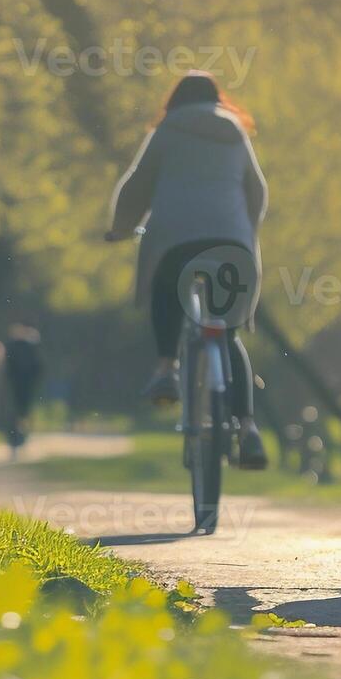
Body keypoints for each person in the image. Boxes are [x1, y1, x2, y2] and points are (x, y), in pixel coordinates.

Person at [106, 71, 269, 470]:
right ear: (219, 97)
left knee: (166, 285)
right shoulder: (234, 131)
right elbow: (258, 191)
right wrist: (244, 230)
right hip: (231, 244)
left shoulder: (167, 129)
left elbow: (136, 186)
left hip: (174, 240)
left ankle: (166, 368)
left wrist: (120, 229)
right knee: (226, 334)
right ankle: (247, 427)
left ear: (175, 100)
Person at [2, 321, 44, 453]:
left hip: (21, 387)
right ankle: (17, 440)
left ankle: (20, 439)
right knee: (19, 415)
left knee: (20, 414)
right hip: (18, 387)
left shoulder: (22, 347)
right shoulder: (18, 347)